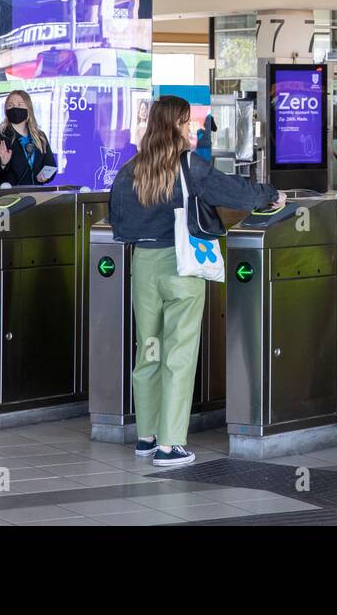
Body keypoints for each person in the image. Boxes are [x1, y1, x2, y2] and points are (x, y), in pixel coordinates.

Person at [109, 96, 282, 468]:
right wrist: (270, 194)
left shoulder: (132, 169)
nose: (192, 128)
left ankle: (147, 437)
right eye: (187, 122)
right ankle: (171, 445)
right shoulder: (188, 165)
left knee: (149, 349)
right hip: (182, 266)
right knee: (179, 354)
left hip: (145, 265)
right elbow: (233, 191)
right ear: (175, 124)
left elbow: (118, 221)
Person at [0, 90, 57, 187]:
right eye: (10, 105)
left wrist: (46, 176)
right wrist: (2, 164)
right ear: (6, 111)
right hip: (10, 197)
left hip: (37, 194)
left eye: (20, 105)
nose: (15, 108)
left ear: (28, 108)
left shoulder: (40, 137)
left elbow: (50, 166)